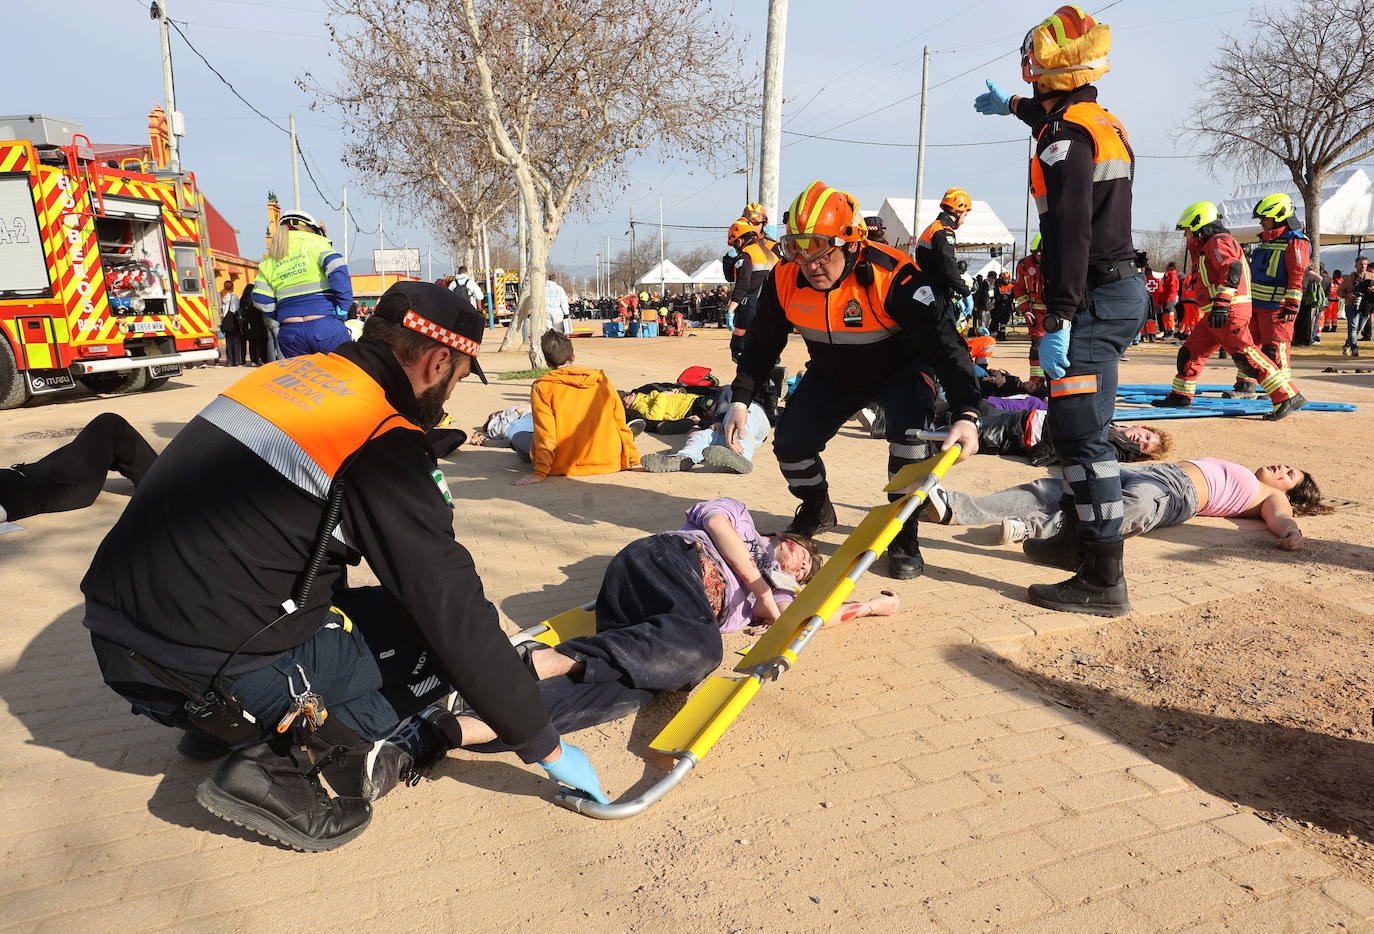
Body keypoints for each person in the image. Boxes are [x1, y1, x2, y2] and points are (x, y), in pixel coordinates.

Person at [81, 281, 608, 852]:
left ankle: (215, 728)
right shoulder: (380, 438)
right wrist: (544, 745)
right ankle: (275, 763)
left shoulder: (285, 377)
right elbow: (450, 609)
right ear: (437, 363)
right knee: (442, 643)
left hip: (120, 644)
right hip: (205, 667)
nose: (452, 395)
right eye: (457, 379)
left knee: (370, 614)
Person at [451, 499, 899, 751]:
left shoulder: (785, 594)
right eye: (803, 555)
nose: (800, 566)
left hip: (660, 628)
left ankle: (468, 727)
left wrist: (872, 606)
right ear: (785, 538)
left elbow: (812, 618)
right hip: (667, 562)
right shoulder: (743, 524)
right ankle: (548, 660)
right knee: (704, 652)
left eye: (804, 573)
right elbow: (716, 523)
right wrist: (760, 588)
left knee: (632, 687)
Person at [975, 4, 1150, 616]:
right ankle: (1083, 540)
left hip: (1093, 296)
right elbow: (1064, 144)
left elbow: (1071, 229)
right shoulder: (1097, 120)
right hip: (1115, 289)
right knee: (1086, 430)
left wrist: (1060, 314)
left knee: (1081, 437)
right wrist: (1016, 112)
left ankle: (1104, 578)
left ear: (1043, 71)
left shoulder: (1065, 133)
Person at [725, 180, 981, 580]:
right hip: (832, 373)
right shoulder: (784, 278)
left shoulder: (894, 275)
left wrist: (967, 411)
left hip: (899, 370)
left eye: (822, 253)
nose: (811, 266)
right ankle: (816, 507)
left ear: (849, 242)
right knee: (790, 445)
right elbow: (762, 344)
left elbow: (946, 344)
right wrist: (741, 398)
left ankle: (903, 534)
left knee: (910, 446)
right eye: (798, 251)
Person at [924, 460, 1328, 566]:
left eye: (1289, 475)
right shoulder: (1251, 476)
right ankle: (955, 507)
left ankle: (1035, 528)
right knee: (1060, 484)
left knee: (1123, 510)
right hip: (1152, 472)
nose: (1280, 469)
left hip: (1173, 492)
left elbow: (1281, 520)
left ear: (1292, 492)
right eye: (1284, 465)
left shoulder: (1271, 497)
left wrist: (1292, 532)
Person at [1150, 202, 1304, 419]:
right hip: (1214, 313)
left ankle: (1287, 395)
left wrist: (1222, 303)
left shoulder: (1218, 242)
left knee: (1247, 357)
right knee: (1191, 352)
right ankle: (1181, 394)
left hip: (1228, 312)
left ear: (1197, 225)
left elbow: (1232, 269)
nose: (1185, 235)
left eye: (1186, 230)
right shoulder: (1207, 246)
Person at [513, 330, 640, 485]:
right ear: (573, 356)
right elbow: (620, 422)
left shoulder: (543, 387)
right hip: (609, 460)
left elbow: (545, 434)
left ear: (547, 362)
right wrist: (632, 460)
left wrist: (539, 473)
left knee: (518, 438)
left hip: (565, 465)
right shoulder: (601, 380)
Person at [0, 413, 156, 525]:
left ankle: (151, 472)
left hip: (40, 472)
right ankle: (162, 480)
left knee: (104, 446)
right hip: (60, 486)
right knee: (110, 424)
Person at [1228, 193, 1310, 397]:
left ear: (1279, 216)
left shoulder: (1296, 241)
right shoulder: (1266, 241)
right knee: (1248, 347)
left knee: (1275, 349)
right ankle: (1245, 384)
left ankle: (1281, 390)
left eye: (1265, 218)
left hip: (1278, 309)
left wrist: (1292, 305)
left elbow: (1297, 275)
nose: (1262, 222)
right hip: (1255, 306)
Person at [252, 210, 353, 358]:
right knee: (341, 377)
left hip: (290, 334)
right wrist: (343, 308)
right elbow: (338, 269)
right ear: (312, 229)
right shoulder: (316, 246)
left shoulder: (270, 262)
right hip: (325, 326)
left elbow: (260, 299)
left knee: (302, 380)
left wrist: (284, 313)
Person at [641, 387, 770, 474]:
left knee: (741, 429)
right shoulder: (718, 415)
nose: (707, 413)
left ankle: (741, 459)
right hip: (728, 429)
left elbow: (727, 391)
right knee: (701, 436)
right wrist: (705, 423)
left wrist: (718, 418)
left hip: (751, 414)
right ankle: (684, 457)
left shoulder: (731, 396)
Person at [913, 187, 974, 324]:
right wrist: (966, 292)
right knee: (948, 340)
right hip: (938, 297)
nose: (963, 220)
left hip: (930, 293)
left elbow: (940, 267)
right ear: (958, 211)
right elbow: (948, 267)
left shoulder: (932, 228)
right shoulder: (944, 231)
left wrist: (956, 296)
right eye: (964, 215)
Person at [725, 219, 779, 361]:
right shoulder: (768, 252)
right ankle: (772, 376)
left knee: (740, 349)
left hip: (751, 305)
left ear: (740, 240)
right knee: (766, 347)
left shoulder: (746, 254)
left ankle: (750, 381)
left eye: (735, 243)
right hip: (773, 305)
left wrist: (731, 310)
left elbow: (742, 285)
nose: (736, 249)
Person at [1012, 234, 1047, 378]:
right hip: (1035, 314)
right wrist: (1025, 310)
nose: (1038, 257)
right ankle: (1036, 381)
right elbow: (1019, 289)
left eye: (1041, 254)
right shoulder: (1024, 265)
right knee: (1037, 347)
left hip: (1056, 312)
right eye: (1035, 254)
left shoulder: (1059, 262)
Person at [1340, 255, 1374, 356]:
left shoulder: (1371, 276)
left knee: (1358, 329)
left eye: (1365, 264)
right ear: (1356, 266)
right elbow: (1339, 292)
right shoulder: (1349, 279)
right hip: (1352, 305)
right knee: (1353, 328)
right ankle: (1354, 348)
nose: (1363, 266)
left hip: (1367, 307)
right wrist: (1348, 295)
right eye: (1360, 264)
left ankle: (1347, 345)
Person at [239, 282, 269, 366]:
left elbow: (241, 311)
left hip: (248, 324)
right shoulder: (256, 298)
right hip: (259, 323)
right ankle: (263, 359)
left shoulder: (243, 299)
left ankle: (254, 360)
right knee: (261, 343)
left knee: (252, 343)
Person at [219, 284, 245, 367]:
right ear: (232, 287)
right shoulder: (234, 297)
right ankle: (237, 361)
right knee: (236, 342)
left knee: (228, 342)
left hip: (224, 322)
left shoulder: (221, 296)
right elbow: (235, 309)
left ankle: (229, 361)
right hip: (233, 321)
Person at [1161, 261, 1180, 338]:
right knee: (1166, 315)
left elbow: (1172, 289)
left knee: (1169, 315)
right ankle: (1167, 331)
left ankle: (1171, 331)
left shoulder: (1172, 276)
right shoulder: (1169, 276)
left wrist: (1168, 298)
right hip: (1167, 298)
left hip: (1170, 298)